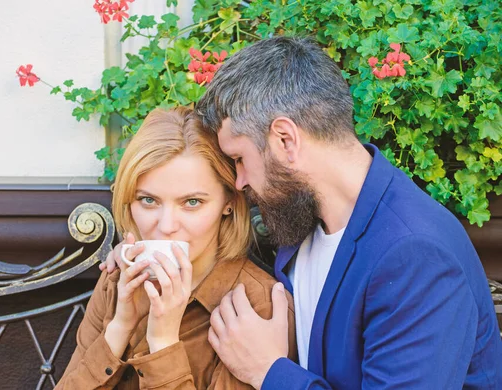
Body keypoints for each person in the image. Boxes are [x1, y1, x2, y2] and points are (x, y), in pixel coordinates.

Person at [191, 36, 501, 389]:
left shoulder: (415, 255)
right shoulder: (301, 217)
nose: (240, 181)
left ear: (285, 140)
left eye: (239, 159)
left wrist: (268, 370)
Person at [56, 107, 296, 389]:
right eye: (148, 200)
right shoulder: (117, 280)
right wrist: (119, 328)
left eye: (192, 202)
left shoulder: (255, 305)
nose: (166, 225)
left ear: (229, 202)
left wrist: (163, 342)